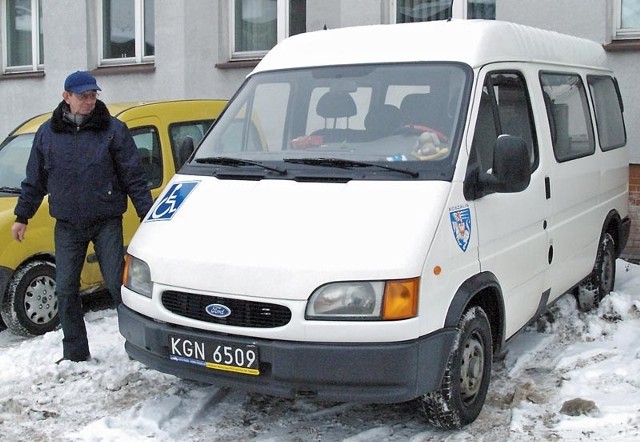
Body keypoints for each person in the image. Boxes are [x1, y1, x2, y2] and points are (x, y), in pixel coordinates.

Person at [11, 71, 153, 363]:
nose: (89, 101)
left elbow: (134, 178)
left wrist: (147, 216)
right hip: (67, 224)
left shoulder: (113, 130)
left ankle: (140, 346)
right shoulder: (47, 134)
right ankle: (75, 352)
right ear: (66, 97)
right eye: (83, 96)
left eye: (93, 95)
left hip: (106, 220)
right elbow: (34, 179)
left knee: (118, 284)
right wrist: (22, 215)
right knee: (65, 289)